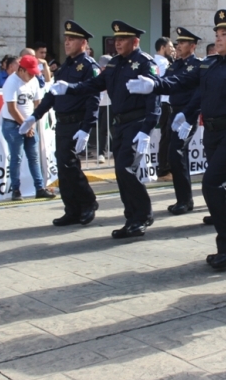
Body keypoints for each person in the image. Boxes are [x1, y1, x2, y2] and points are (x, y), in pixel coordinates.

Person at [126, 9, 226, 269]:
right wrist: (155, 85)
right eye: (217, 33)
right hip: (213, 134)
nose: (218, 38)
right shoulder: (209, 64)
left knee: (212, 185)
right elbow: (182, 83)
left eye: (224, 34)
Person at [49, 21, 160, 239]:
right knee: (121, 172)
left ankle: (140, 217)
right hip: (119, 124)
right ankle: (136, 216)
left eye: (123, 39)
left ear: (135, 41)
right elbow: (94, 85)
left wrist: (147, 129)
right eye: (116, 39)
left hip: (137, 123)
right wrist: (70, 88)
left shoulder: (145, 63)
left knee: (125, 169)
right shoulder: (114, 64)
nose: (117, 43)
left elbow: (153, 97)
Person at [21, 20, 100, 226]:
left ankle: (88, 202)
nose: (67, 42)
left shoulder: (88, 66)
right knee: (63, 167)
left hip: (76, 122)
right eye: (66, 39)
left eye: (72, 39)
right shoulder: (65, 66)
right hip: (62, 122)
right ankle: (72, 209)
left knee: (69, 164)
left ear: (83, 43)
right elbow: (51, 95)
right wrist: (34, 116)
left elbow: (93, 99)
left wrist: (86, 128)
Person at [0, 55, 55, 202]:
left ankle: (39, 188)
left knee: (34, 157)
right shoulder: (11, 82)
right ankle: (15, 190)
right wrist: (26, 124)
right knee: (16, 157)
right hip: (12, 124)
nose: (31, 76)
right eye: (29, 73)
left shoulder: (34, 81)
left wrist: (31, 123)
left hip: (29, 123)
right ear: (21, 69)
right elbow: (12, 109)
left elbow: (37, 104)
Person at [162, 27, 203, 215]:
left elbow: (198, 95)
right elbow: (165, 83)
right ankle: (184, 199)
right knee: (175, 157)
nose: (178, 46)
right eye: (177, 42)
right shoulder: (175, 65)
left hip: (188, 115)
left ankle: (185, 200)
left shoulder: (198, 66)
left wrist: (189, 118)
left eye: (183, 42)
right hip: (174, 114)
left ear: (192, 46)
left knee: (176, 154)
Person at [153, 37, 173, 178]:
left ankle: (164, 167)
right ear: (162, 47)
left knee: (165, 136)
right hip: (165, 102)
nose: (172, 50)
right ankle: (164, 169)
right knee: (167, 137)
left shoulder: (153, 61)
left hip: (161, 102)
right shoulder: (164, 63)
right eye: (170, 47)